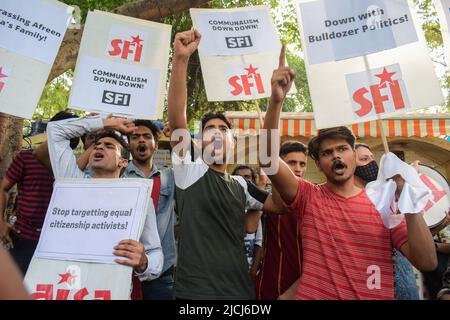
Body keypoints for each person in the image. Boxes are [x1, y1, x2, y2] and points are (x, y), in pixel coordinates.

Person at [260, 45, 437, 299]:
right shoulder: (309, 197)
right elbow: (268, 160)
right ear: (319, 165)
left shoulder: (384, 203)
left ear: (355, 156)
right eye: (327, 153)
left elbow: (427, 262)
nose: (336, 156)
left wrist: (409, 199)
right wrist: (276, 101)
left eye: (342, 149)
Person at [168, 29, 281, 300]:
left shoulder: (243, 185)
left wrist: (275, 104)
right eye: (209, 128)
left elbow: (281, 204)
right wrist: (181, 59)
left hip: (240, 293)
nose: (216, 132)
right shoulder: (189, 171)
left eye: (222, 128)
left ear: (232, 142)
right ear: (199, 141)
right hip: (194, 295)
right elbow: (177, 119)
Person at [34, 115, 163, 287]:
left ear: (123, 162)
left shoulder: (138, 197)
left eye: (109, 146)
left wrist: (144, 262)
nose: (99, 147)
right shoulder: (71, 182)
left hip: (110, 288)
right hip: (63, 285)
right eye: (97, 145)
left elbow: (156, 254)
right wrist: (103, 122)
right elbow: (55, 131)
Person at [0, 111, 79, 275]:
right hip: (23, 238)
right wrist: (1, 223)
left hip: (58, 242)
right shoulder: (25, 157)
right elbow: (3, 189)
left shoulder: (74, 165)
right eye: (61, 131)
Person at [354, 143, 420, 300]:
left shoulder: (388, 196)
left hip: (405, 282)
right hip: (378, 285)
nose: (371, 163)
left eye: (372, 158)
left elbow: (411, 240)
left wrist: (408, 185)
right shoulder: (360, 201)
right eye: (364, 159)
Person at [122, 119, 177, 300]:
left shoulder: (170, 176)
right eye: (135, 137)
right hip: (122, 271)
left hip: (162, 273)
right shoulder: (117, 175)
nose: (141, 141)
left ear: (155, 143)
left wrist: (177, 136)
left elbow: (196, 167)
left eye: (147, 136)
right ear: (128, 144)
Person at [256, 141, 307, 300]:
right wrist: (263, 184)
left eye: (302, 163)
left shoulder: (313, 199)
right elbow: (250, 227)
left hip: (304, 285)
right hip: (268, 283)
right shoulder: (270, 200)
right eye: (292, 163)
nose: (298, 168)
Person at [232, 165, 264, 281]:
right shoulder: (227, 206)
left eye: (247, 177)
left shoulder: (258, 209)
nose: (243, 180)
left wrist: (253, 272)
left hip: (248, 271)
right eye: (238, 177)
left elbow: (258, 243)